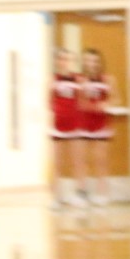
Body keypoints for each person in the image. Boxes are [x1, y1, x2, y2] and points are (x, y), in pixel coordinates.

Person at [77, 47, 116, 206]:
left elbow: (115, 99)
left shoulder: (107, 79)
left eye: (94, 61)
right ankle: (82, 192)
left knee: (101, 160)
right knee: (82, 160)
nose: (91, 64)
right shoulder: (79, 79)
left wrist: (106, 104)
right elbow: (77, 101)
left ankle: (102, 193)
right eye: (88, 60)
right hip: (83, 123)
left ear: (99, 63)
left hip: (101, 124)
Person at [50, 47, 87, 208]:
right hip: (58, 124)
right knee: (58, 163)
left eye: (67, 59)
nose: (64, 62)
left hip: (75, 124)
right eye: (61, 59)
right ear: (56, 61)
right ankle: (56, 196)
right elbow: (48, 102)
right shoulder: (52, 79)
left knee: (77, 161)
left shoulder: (78, 79)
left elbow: (83, 100)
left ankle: (79, 193)